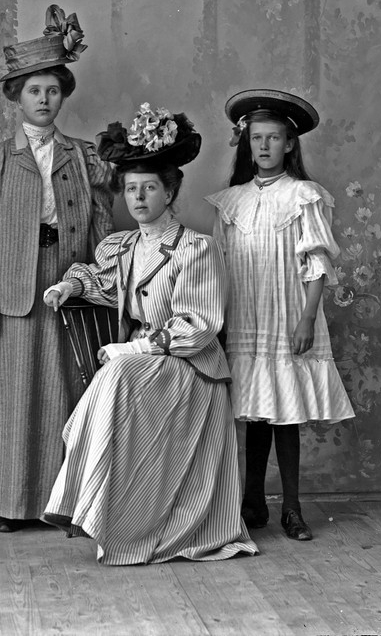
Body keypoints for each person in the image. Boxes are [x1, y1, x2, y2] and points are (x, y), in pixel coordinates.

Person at [42, 102, 259, 565]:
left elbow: (198, 328)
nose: (138, 198)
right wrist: (69, 286)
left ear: (170, 191)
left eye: (150, 188)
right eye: (131, 189)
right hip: (143, 362)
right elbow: (100, 280)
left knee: (117, 375)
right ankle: (99, 510)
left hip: (189, 367)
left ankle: (109, 513)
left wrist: (133, 348)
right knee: (117, 377)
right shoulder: (121, 246)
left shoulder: (195, 249)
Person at [0, 5, 114, 533]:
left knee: (63, 391)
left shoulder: (82, 157)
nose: (44, 100)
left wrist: (99, 287)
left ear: (63, 96)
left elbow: (100, 231)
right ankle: (9, 503)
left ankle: (63, 502)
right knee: (13, 396)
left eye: (52, 91)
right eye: (33, 91)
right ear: (16, 98)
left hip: (67, 281)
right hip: (12, 289)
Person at [205, 89, 355, 541]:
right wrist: (219, 321)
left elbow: (316, 264)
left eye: (273, 138)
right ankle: (253, 504)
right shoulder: (231, 201)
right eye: (257, 138)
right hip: (247, 318)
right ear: (247, 144)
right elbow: (219, 268)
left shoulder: (303, 195)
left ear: (289, 144)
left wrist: (307, 318)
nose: (265, 146)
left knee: (286, 416)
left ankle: (292, 508)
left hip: (288, 316)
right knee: (255, 412)